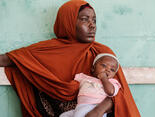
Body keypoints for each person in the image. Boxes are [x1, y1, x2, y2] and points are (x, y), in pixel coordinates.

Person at [0, 0, 141, 117]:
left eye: (94, 20)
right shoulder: (48, 49)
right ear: (68, 22)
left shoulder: (102, 53)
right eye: (85, 20)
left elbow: (119, 93)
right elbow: (11, 59)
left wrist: (98, 110)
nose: (92, 25)